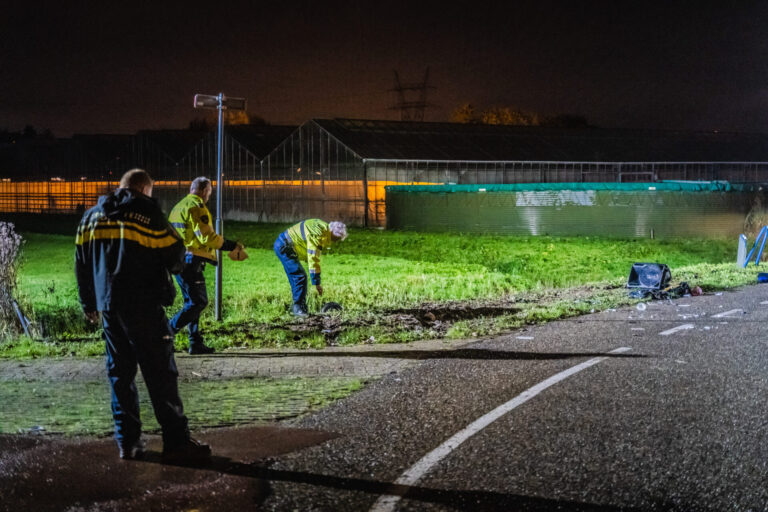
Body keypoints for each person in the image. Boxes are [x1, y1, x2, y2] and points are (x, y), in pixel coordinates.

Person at [74, 168, 211, 462]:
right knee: (161, 374)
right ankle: (176, 442)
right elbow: (175, 256)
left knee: (120, 374)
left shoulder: (91, 217)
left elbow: (81, 263)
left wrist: (89, 304)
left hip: (109, 307)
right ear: (145, 190)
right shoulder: (147, 213)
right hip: (144, 305)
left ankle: (128, 442)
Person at [168, 177, 243, 354]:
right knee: (198, 302)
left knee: (191, 302)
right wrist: (231, 245)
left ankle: (195, 343)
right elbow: (206, 237)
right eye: (209, 192)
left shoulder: (179, 206)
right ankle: (166, 332)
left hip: (179, 259)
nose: (209, 195)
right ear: (204, 191)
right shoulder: (197, 207)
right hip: (190, 261)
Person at [273, 218, 347, 316]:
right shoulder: (318, 232)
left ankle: (299, 308)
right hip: (285, 247)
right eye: (335, 239)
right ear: (333, 233)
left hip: (285, 245)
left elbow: (312, 255)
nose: (334, 242)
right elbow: (312, 256)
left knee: (299, 276)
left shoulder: (322, 228)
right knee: (299, 276)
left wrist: (316, 277)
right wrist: (316, 283)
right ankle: (298, 309)